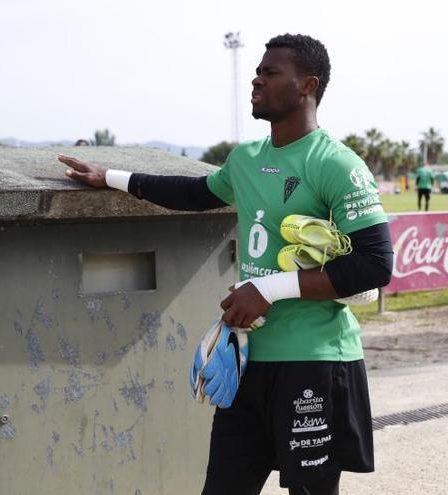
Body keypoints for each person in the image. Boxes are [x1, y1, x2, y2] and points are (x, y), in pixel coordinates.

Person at [58, 34, 392, 495]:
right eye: (258, 69)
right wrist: (112, 177)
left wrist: (268, 290)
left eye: (271, 72)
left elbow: (375, 265)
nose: (257, 78)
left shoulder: (336, 164)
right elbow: (194, 193)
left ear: (307, 85)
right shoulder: (246, 159)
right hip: (247, 360)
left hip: (313, 362)